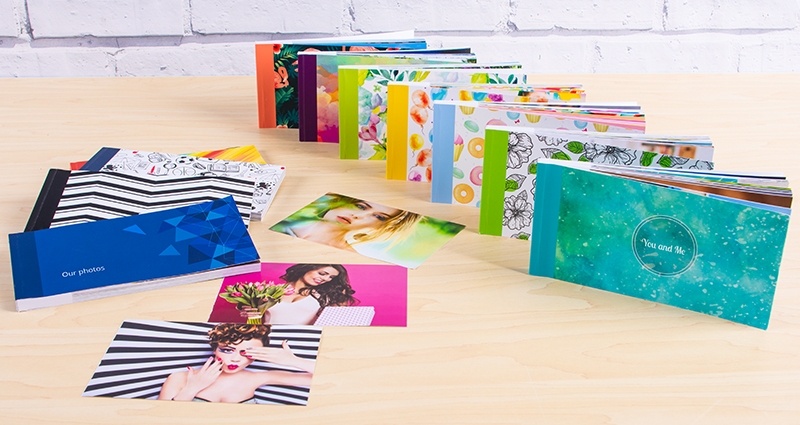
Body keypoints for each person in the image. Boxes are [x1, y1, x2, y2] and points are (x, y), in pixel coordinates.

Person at [157, 323, 313, 404]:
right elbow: (159, 418)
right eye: (227, 350)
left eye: (246, 353)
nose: (236, 359)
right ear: (215, 349)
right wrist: (192, 388)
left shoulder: (257, 378)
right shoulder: (180, 378)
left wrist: (293, 361)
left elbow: (320, 378)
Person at [272, 193, 422, 252]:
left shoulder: (350, 255)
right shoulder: (286, 223)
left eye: (379, 217)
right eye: (360, 206)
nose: (358, 216)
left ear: (385, 228)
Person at [245, 263, 359, 325]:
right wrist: (251, 313)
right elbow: (255, 320)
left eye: (331, 277)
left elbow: (335, 324)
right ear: (308, 268)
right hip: (265, 338)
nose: (325, 279)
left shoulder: (326, 297)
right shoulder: (269, 291)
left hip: (300, 340)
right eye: (322, 273)